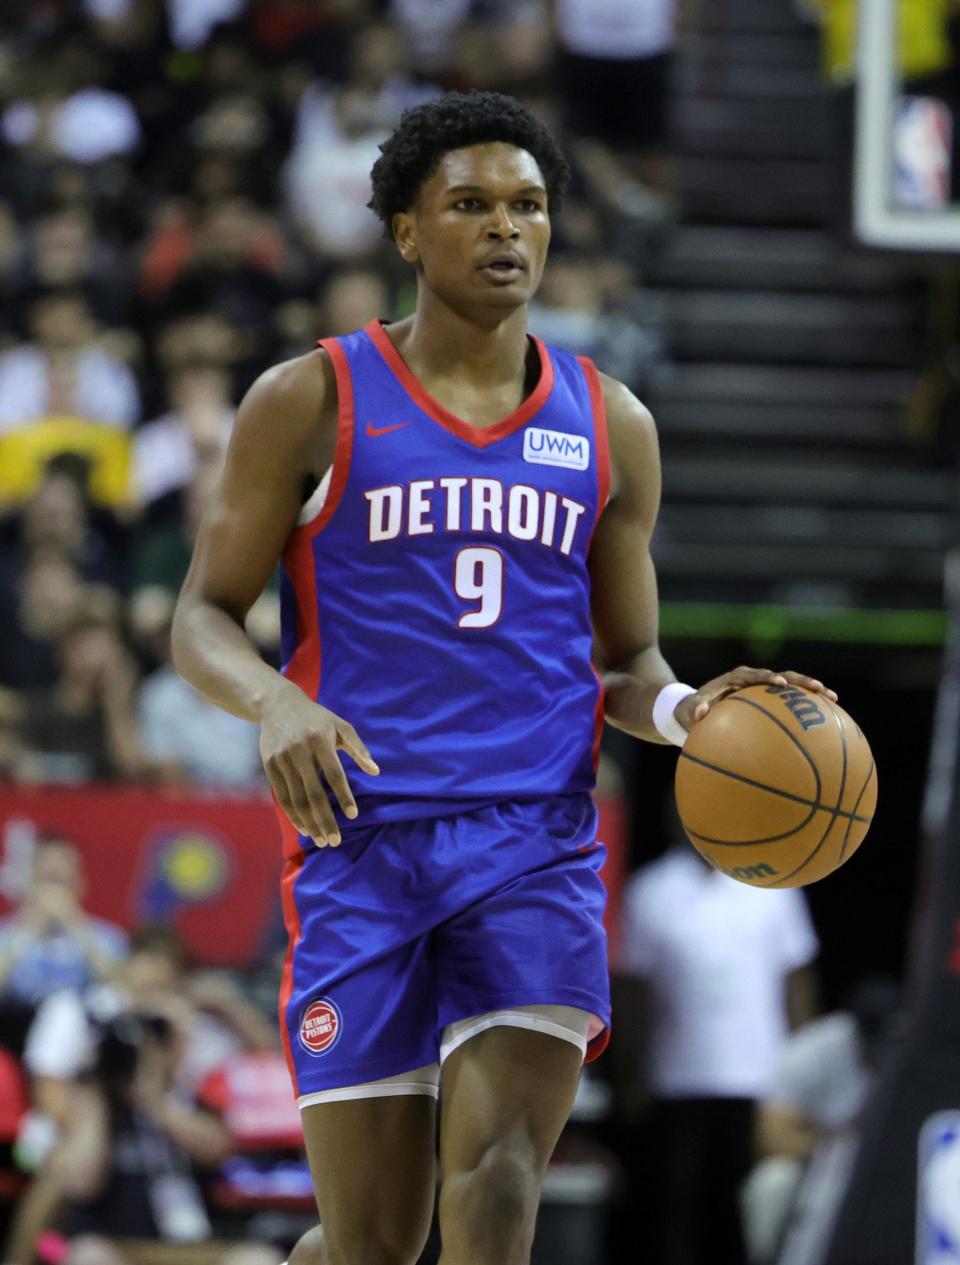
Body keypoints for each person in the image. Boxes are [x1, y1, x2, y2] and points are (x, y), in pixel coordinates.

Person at [170, 90, 837, 1265]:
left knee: (498, 1175)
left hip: (534, 840)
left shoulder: (608, 420)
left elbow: (625, 663)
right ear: (405, 232)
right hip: (360, 840)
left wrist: (695, 713)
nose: (505, 229)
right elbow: (201, 618)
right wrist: (274, 697)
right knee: (373, 1241)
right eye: (469, 204)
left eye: (527, 205)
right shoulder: (311, 399)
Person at [614, 830, 820, 1265]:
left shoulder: (773, 884)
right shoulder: (651, 890)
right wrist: (630, 1071)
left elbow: (797, 979)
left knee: (750, 1210)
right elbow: (633, 991)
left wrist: (803, 1078)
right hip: (675, 1079)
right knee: (674, 1209)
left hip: (760, 1081)